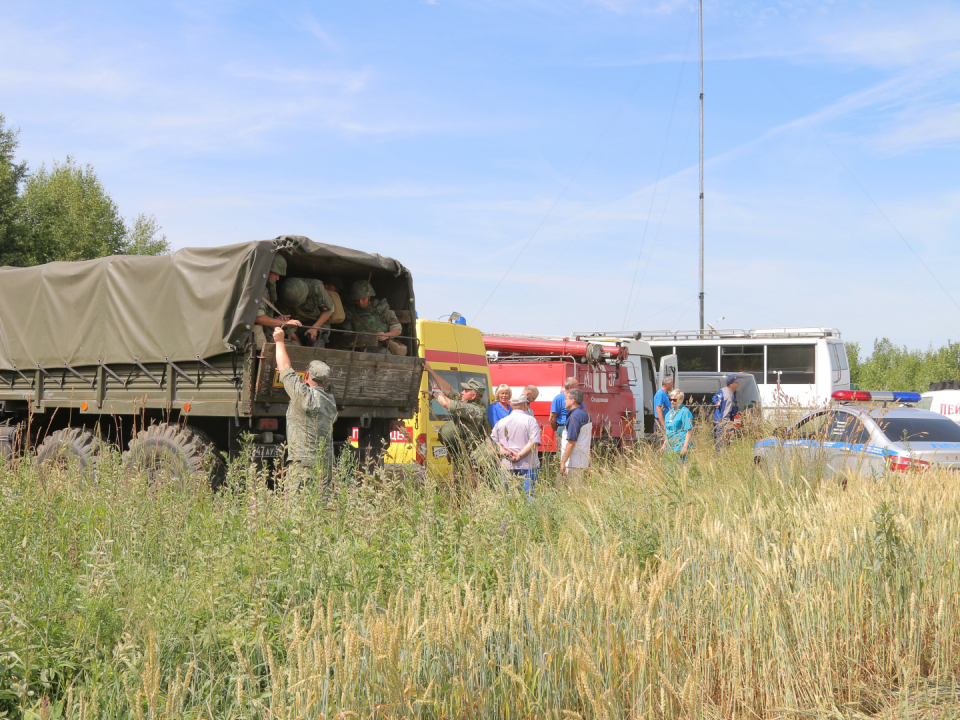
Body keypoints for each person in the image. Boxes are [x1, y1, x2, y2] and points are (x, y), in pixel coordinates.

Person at [272, 326, 338, 492]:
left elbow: (284, 365)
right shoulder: (330, 401)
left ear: (306, 376)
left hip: (304, 466)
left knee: (296, 510)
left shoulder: (303, 396)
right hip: (326, 464)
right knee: (319, 506)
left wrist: (279, 340)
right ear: (325, 382)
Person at [424, 362, 490, 476]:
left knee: (467, 487)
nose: (462, 392)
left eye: (465, 390)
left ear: (473, 396)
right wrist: (431, 371)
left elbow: (446, 403)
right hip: (462, 457)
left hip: (471, 461)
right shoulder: (468, 403)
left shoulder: (474, 410)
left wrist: (435, 394)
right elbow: (448, 389)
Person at [490, 392, 541, 496]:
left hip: (507, 465)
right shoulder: (531, 420)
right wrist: (520, 455)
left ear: (512, 405)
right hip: (528, 465)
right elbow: (534, 442)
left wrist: (505, 452)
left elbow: (494, 441)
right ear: (525, 405)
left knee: (508, 497)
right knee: (529, 496)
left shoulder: (501, 422)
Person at [341, 280, 407, 356]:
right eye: (357, 299)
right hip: (358, 349)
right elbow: (347, 334)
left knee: (384, 356)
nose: (360, 302)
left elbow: (397, 329)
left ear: (369, 296)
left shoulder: (380, 309)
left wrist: (386, 335)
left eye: (363, 299)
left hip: (380, 348)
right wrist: (356, 345)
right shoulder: (351, 312)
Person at [253, 254, 301, 348]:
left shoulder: (264, 289)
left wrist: (277, 320)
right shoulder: (258, 289)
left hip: (265, 334)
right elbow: (258, 318)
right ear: (266, 271)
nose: (278, 278)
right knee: (293, 347)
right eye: (275, 274)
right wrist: (285, 323)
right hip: (255, 339)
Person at [278, 277, 335, 347]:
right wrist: (300, 348)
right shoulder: (285, 298)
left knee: (321, 334)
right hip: (296, 325)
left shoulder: (317, 288)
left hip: (317, 322)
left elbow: (328, 310)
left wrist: (315, 328)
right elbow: (288, 329)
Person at [559, 388, 592, 486]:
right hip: (581, 461)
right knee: (560, 486)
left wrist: (563, 462)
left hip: (573, 463)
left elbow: (572, 442)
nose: (565, 401)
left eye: (566, 398)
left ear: (573, 400)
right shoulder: (585, 415)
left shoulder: (574, 417)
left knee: (572, 491)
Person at [662, 389, 693, 463]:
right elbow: (668, 431)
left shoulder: (685, 412)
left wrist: (685, 447)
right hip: (670, 447)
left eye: (675, 400)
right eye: (671, 399)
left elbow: (689, 431)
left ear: (681, 400)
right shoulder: (669, 414)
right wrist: (664, 444)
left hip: (679, 447)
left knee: (679, 469)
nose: (672, 401)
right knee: (669, 470)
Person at [549, 378, 579, 451]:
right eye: (577, 386)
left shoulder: (577, 398)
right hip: (563, 427)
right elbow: (552, 418)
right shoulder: (558, 398)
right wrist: (558, 430)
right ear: (570, 387)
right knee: (563, 450)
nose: (578, 388)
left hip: (575, 427)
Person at [713, 374, 741, 449]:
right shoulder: (728, 396)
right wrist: (729, 429)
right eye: (736, 383)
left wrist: (717, 402)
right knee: (722, 446)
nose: (738, 384)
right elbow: (726, 414)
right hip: (722, 423)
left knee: (719, 444)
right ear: (731, 385)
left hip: (717, 421)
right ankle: (719, 459)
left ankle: (717, 458)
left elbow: (715, 397)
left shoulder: (723, 390)